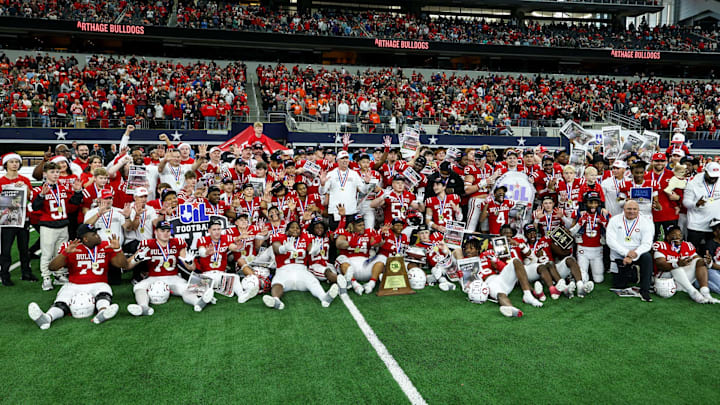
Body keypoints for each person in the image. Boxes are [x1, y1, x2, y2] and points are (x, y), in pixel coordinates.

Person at [27, 224, 128, 329]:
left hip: (98, 282)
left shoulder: (106, 246)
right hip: (74, 284)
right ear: (85, 239)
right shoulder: (72, 247)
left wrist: (118, 250)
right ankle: (47, 318)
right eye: (94, 234)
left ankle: (103, 312)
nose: (98, 236)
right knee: (62, 301)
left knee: (103, 293)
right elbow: (52, 267)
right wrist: (65, 254)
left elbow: (123, 265)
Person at [125, 221, 213, 314]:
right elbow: (127, 266)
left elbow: (191, 268)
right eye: (162, 231)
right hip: (153, 277)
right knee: (138, 287)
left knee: (186, 289)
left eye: (168, 231)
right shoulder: (147, 244)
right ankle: (144, 307)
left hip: (173, 277)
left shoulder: (177, 242)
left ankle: (198, 302)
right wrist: (136, 259)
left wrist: (190, 263)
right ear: (155, 232)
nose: (166, 233)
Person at [264, 221, 340, 310]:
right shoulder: (280, 237)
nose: (295, 229)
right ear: (287, 230)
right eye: (292, 227)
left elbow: (310, 248)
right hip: (284, 270)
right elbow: (276, 248)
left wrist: (314, 250)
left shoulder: (305, 238)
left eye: (297, 228)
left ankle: (324, 297)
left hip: (301, 270)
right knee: (277, 282)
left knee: (313, 281)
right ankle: (276, 300)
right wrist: (283, 248)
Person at [32, 162, 84, 291]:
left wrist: (77, 192)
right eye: (52, 172)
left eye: (57, 172)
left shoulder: (63, 188)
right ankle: (46, 278)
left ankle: (58, 275)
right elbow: (35, 207)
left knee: (60, 253)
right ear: (45, 174)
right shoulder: (39, 189)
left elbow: (73, 205)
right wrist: (42, 195)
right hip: (48, 226)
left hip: (63, 224)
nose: (55, 175)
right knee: (47, 254)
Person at [653, 225, 719, 303]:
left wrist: (707, 261)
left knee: (699, 261)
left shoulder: (687, 245)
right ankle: (693, 293)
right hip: (666, 281)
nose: (678, 237)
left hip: (683, 280)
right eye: (674, 235)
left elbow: (698, 260)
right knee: (675, 265)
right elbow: (660, 264)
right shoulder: (660, 245)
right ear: (667, 237)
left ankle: (705, 293)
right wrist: (676, 264)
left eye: (680, 235)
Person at [606, 200, 655, 301]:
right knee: (619, 285)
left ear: (638, 210)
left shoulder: (645, 222)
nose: (631, 211)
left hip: (637, 254)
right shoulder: (614, 220)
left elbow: (647, 243)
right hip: (620, 255)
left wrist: (634, 254)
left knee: (647, 257)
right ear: (624, 209)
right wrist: (626, 253)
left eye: (634, 209)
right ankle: (633, 272)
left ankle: (644, 291)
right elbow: (610, 241)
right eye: (629, 209)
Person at [0, 153, 36, 285]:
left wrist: (25, 188)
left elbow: (30, 197)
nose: (14, 164)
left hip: (22, 219)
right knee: (6, 250)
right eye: (11, 162)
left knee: (24, 248)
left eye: (16, 162)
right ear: (6, 165)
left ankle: (26, 272)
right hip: (7, 220)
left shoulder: (24, 180)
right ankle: (5, 275)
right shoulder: (1, 181)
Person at [320, 150, 372, 230]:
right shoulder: (331, 174)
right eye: (342, 158)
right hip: (335, 211)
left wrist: (366, 183)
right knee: (335, 235)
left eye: (346, 158)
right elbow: (322, 191)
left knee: (350, 236)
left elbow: (363, 190)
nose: (345, 160)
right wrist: (322, 184)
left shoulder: (354, 174)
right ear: (337, 160)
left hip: (351, 210)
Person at [683, 162, 720, 254]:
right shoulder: (693, 183)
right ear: (705, 172)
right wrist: (696, 204)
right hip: (696, 225)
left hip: (715, 227)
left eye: (716, 177)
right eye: (711, 176)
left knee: (713, 254)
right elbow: (685, 202)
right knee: (693, 253)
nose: (713, 179)